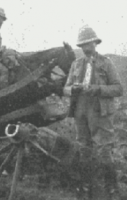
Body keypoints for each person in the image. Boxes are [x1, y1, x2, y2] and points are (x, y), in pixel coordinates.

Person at [64, 25, 123, 199]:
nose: (85, 47)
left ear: (95, 43)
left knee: (105, 150)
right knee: (84, 149)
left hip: (100, 111)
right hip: (81, 111)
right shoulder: (76, 64)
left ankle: (112, 189)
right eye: (82, 45)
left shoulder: (106, 63)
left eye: (87, 43)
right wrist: (72, 89)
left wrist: (97, 88)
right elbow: (65, 88)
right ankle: (85, 188)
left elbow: (118, 88)